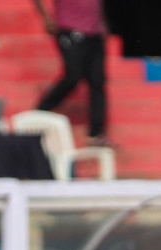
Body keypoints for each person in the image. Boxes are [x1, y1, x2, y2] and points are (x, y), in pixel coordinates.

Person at [32, 0, 110, 146]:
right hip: (70, 29)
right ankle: (40, 111)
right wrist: (46, 18)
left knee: (97, 81)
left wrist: (103, 22)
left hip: (94, 33)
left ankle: (96, 134)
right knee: (73, 76)